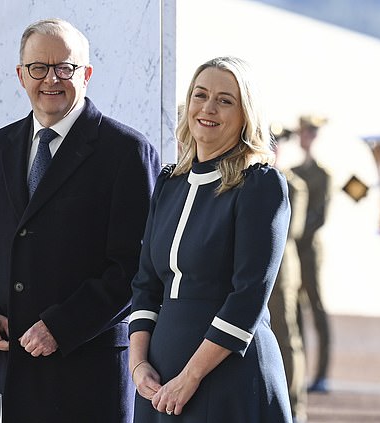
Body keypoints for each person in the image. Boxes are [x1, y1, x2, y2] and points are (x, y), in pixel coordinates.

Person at [0, 18, 161, 423]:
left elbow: (133, 268)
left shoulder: (127, 152)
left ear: (87, 74)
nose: (51, 78)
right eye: (38, 68)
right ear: (20, 75)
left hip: (89, 370)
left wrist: (61, 327)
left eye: (64, 67)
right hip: (12, 368)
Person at [128, 56, 292, 422]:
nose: (208, 107)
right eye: (200, 95)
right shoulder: (169, 184)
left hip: (228, 375)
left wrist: (191, 376)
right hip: (160, 380)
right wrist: (138, 365)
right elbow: (146, 284)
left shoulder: (260, 185)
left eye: (225, 100)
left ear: (246, 114)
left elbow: (249, 295)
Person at [269, 128, 309, 423]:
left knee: (286, 338)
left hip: (282, 271)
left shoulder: (291, 184)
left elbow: (291, 230)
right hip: (257, 274)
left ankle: (295, 408)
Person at [291, 114, 331, 393]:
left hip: (309, 252)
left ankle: (322, 373)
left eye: (311, 133)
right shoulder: (294, 172)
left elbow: (320, 215)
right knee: (293, 313)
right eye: (304, 133)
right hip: (292, 252)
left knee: (316, 310)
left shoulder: (322, 174)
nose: (307, 138)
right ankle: (300, 372)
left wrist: (295, 235)